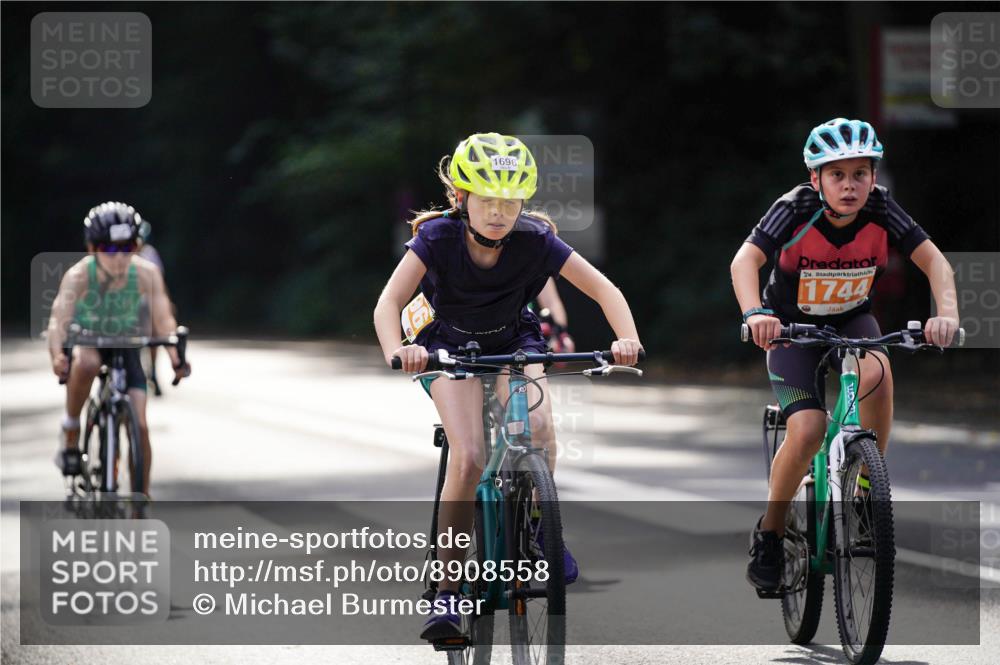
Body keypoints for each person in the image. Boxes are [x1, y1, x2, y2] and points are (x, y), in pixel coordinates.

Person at [373, 133, 642, 640]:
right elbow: (388, 303)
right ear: (461, 199)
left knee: (538, 425)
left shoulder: (535, 239)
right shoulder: (436, 239)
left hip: (510, 340)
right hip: (446, 344)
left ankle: (541, 525)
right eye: (487, 200)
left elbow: (603, 288)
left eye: (510, 202)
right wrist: (398, 349)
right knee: (470, 455)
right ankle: (449, 593)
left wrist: (626, 338)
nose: (499, 212)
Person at [730, 118, 960, 593]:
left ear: (874, 177)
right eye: (838, 175)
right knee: (809, 429)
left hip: (852, 320)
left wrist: (947, 314)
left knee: (879, 371)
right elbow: (745, 260)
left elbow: (934, 259)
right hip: (791, 329)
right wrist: (756, 313)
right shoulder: (793, 209)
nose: (850, 185)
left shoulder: (882, 209)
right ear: (816, 179)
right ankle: (770, 534)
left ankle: (864, 491)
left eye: (860, 173)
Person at [47, 201, 191, 497]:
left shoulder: (147, 273)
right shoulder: (79, 275)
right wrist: (57, 355)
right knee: (85, 364)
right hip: (90, 338)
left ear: (138, 246)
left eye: (127, 248)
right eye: (109, 249)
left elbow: (163, 318)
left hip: (126, 343)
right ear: (92, 249)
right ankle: (72, 428)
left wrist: (175, 356)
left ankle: (141, 501)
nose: (119, 257)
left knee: (140, 424)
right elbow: (58, 320)